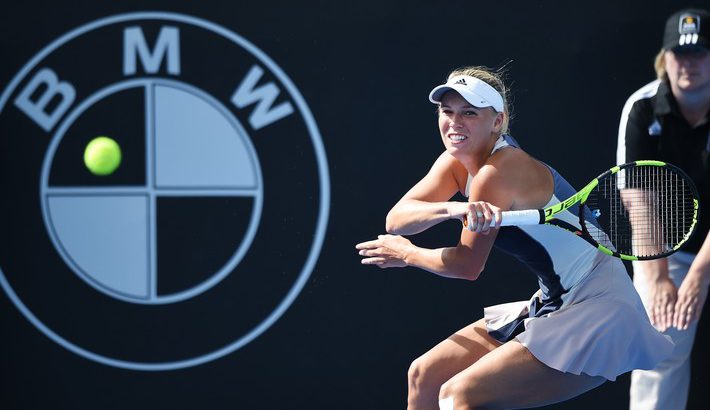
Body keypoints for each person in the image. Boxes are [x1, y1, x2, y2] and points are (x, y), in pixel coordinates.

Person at [356, 65, 674, 410]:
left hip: (601, 311)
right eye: (446, 112)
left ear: (497, 121)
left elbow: (467, 266)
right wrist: (452, 209)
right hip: (556, 301)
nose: (454, 123)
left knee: (458, 397)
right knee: (425, 375)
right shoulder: (455, 163)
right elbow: (396, 220)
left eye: (469, 113)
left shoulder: (499, 171)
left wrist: (407, 254)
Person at [616, 8, 710, 410]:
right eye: (679, 53)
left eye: (699, 53)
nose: (687, 63)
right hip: (665, 248)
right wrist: (656, 278)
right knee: (660, 338)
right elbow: (637, 198)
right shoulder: (641, 108)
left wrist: (700, 277)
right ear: (664, 58)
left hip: (704, 252)